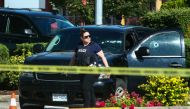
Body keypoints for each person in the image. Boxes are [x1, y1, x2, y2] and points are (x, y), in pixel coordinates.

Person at [70, 28, 109, 107]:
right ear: (81, 38)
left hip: (93, 71)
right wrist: (69, 68)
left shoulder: (94, 45)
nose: (88, 37)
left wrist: (107, 68)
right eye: (86, 36)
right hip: (82, 70)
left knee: (85, 87)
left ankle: (86, 106)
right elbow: (74, 58)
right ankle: (93, 105)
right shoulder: (79, 45)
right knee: (89, 88)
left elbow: (103, 57)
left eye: (89, 36)